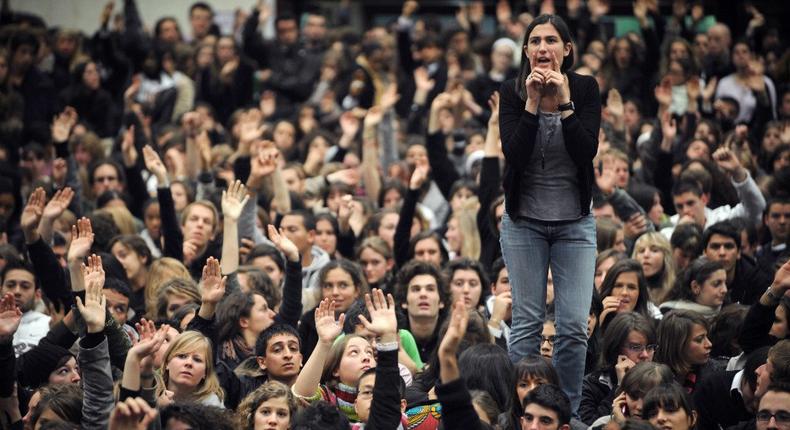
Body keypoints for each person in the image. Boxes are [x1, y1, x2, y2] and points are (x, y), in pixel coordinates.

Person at [498, 13, 601, 413]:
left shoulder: (586, 88)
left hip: (575, 223)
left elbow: (585, 151)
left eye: (552, 40)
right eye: (535, 41)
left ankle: (567, 413)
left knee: (574, 327)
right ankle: (520, 410)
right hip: (524, 222)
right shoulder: (511, 91)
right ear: (526, 51)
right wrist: (531, 102)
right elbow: (515, 154)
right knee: (526, 324)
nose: (543, 48)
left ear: (567, 49)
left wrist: (565, 103)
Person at [661, 258, 728, 317]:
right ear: (695, 287)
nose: (725, 290)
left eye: (725, 283)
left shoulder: (729, 313)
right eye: (716, 284)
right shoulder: (673, 319)